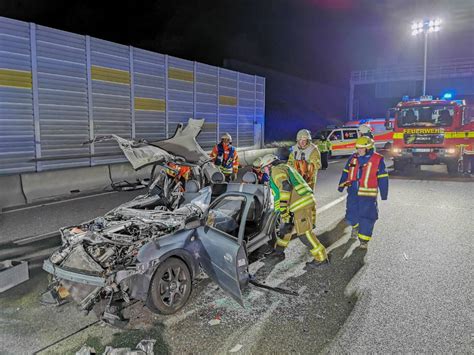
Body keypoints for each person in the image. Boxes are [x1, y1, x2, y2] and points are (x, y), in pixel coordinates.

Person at [268, 161, 328, 268]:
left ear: (268, 165)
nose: (264, 171)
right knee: (286, 229)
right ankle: (278, 252)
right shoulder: (286, 167)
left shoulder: (275, 170)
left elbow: (285, 186)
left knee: (304, 234)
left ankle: (321, 258)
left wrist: (283, 210)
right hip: (300, 202)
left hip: (299, 204)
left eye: (264, 168)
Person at [338, 136, 389, 249]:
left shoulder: (377, 159)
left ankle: (363, 241)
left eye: (362, 148)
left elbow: (383, 177)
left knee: (367, 217)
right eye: (358, 148)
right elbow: (346, 172)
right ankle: (355, 227)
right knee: (350, 215)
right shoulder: (353, 158)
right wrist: (341, 185)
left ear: (369, 148)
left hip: (368, 196)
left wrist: (384, 193)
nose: (359, 150)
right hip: (353, 193)